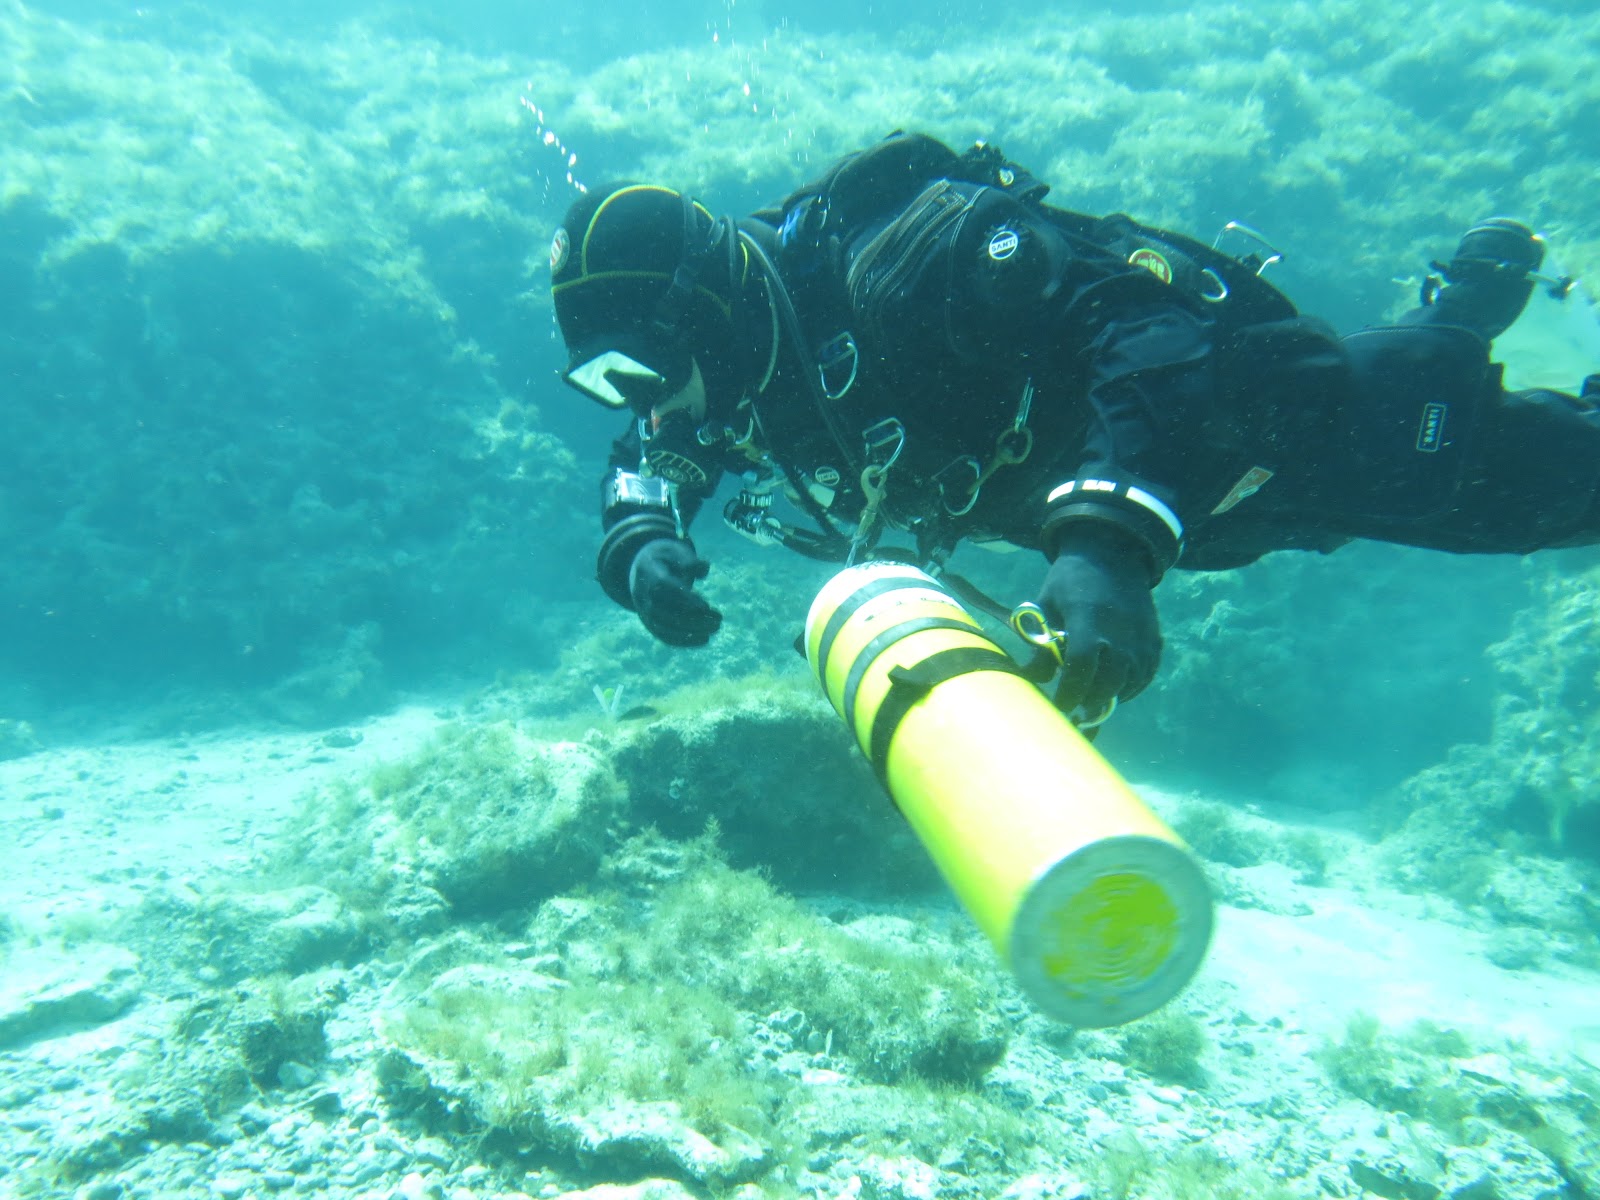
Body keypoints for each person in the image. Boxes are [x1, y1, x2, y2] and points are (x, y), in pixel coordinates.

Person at [549, 131, 1600, 725]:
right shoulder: (743, 373)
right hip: (1172, 511)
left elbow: (1140, 326)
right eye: (603, 384)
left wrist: (1104, 540)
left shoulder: (910, 261)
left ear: (712, 309)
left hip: (1233, 417)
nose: (642, 404)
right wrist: (638, 535)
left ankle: (1469, 315)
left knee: (1505, 488)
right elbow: (650, 454)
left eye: (641, 371)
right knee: (1300, 508)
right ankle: (1465, 307)